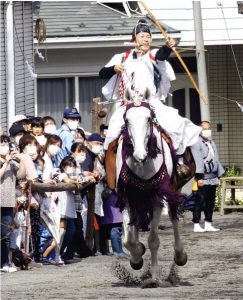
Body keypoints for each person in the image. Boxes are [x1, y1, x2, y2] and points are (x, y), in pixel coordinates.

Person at [99, 19, 201, 158]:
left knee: (175, 126)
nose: (146, 40)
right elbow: (102, 73)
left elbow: (161, 55)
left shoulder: (152, 55)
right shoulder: (122, 57)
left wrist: (168, 47)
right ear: (135, 40)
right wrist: (113, 68)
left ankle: (178, 162)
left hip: (151, 103)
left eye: (148, 37)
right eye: (142, 36)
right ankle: (105, 168)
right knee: (112, 134)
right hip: (127, 105)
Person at [190, 121, 225, 232]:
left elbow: (216, 159)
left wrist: (219, 175)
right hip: (203, 177)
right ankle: (196, 224)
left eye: (209, 128)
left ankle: (208, 223)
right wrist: (199, 177)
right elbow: (198, 161)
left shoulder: (211, 142)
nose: (207, 130)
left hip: (213, 176)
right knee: (200, 200)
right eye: (205, 128)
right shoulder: (196, 143)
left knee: (210, 201)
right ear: (200, 130)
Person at [0, 135, 26, 272]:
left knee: (6, 233)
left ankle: (5, 262)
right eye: (1, 143)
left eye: (5, 144)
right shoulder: (5, 162)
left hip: (8, 202)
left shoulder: (12, 162)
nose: (4, 146)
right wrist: (5, 163)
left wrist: (20, 160)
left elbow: (21, 174)